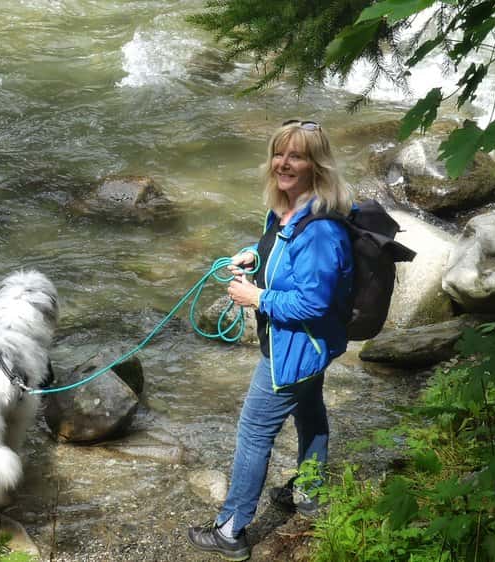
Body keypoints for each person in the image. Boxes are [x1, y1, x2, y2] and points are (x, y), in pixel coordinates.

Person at [186, 120, 355, 561]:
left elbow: (313, 303)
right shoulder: (287, 210)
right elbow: (281, 253)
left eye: (296, 156)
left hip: (295, 350)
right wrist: (254, 253)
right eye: (279, 154)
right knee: (310, 412)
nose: (283, 163)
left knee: (254, 432)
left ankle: (231, 530)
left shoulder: (320, 230)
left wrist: (256, 297)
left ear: (316, 165)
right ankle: (310, 493)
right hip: (308, 348)